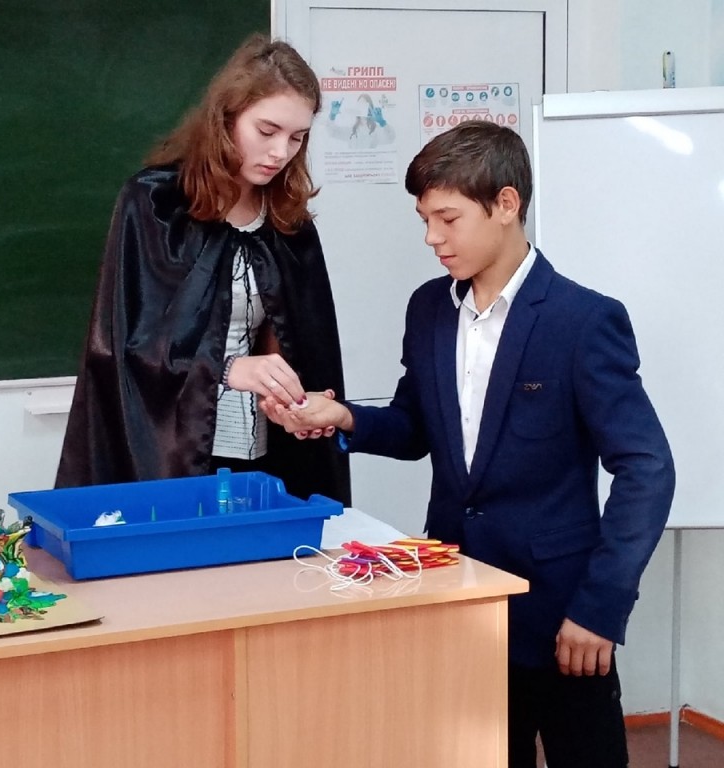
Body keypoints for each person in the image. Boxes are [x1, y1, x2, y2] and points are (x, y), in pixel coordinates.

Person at [263, 120, 675, 767]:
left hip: (561, 612)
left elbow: (647, 468)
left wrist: (601, 606)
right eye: (425, 220)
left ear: (506, 204)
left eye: (447, 219)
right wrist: (344, 418)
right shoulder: (428, 309)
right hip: (458, 593)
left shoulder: (582, 320)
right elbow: (414, 429)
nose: (432, 237)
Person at [55, 34, 350, 505]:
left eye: (297, 138)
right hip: (169, 455)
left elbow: (304, 343)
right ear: (226, 117)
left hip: (265, 455)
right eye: (267, 131)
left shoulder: (289, 224)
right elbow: (126, 349)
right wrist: (229, 368)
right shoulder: (155, 205)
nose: (281, 152)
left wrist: (299, 399)